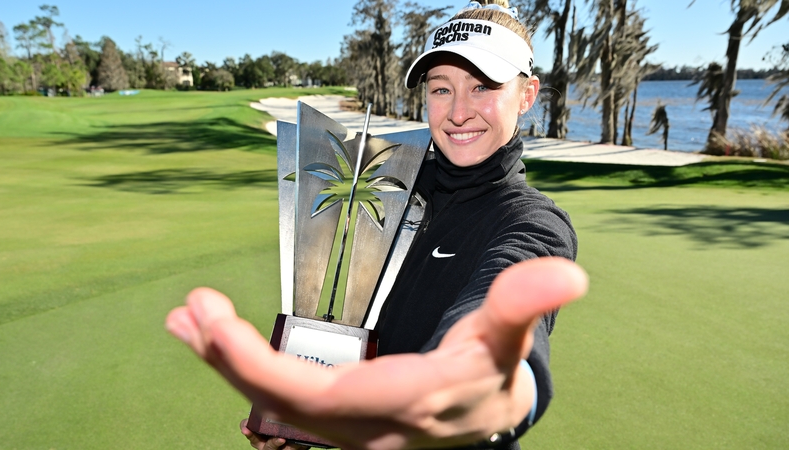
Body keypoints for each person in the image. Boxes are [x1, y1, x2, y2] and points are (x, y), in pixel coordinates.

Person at [165, 1, 585, 449]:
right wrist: (297, 425)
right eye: (441, 89)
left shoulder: (534, 223)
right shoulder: (386, 188)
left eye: (482, 87)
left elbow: (493, 344)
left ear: (527, 95)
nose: (459, 111)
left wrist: (480, 387)